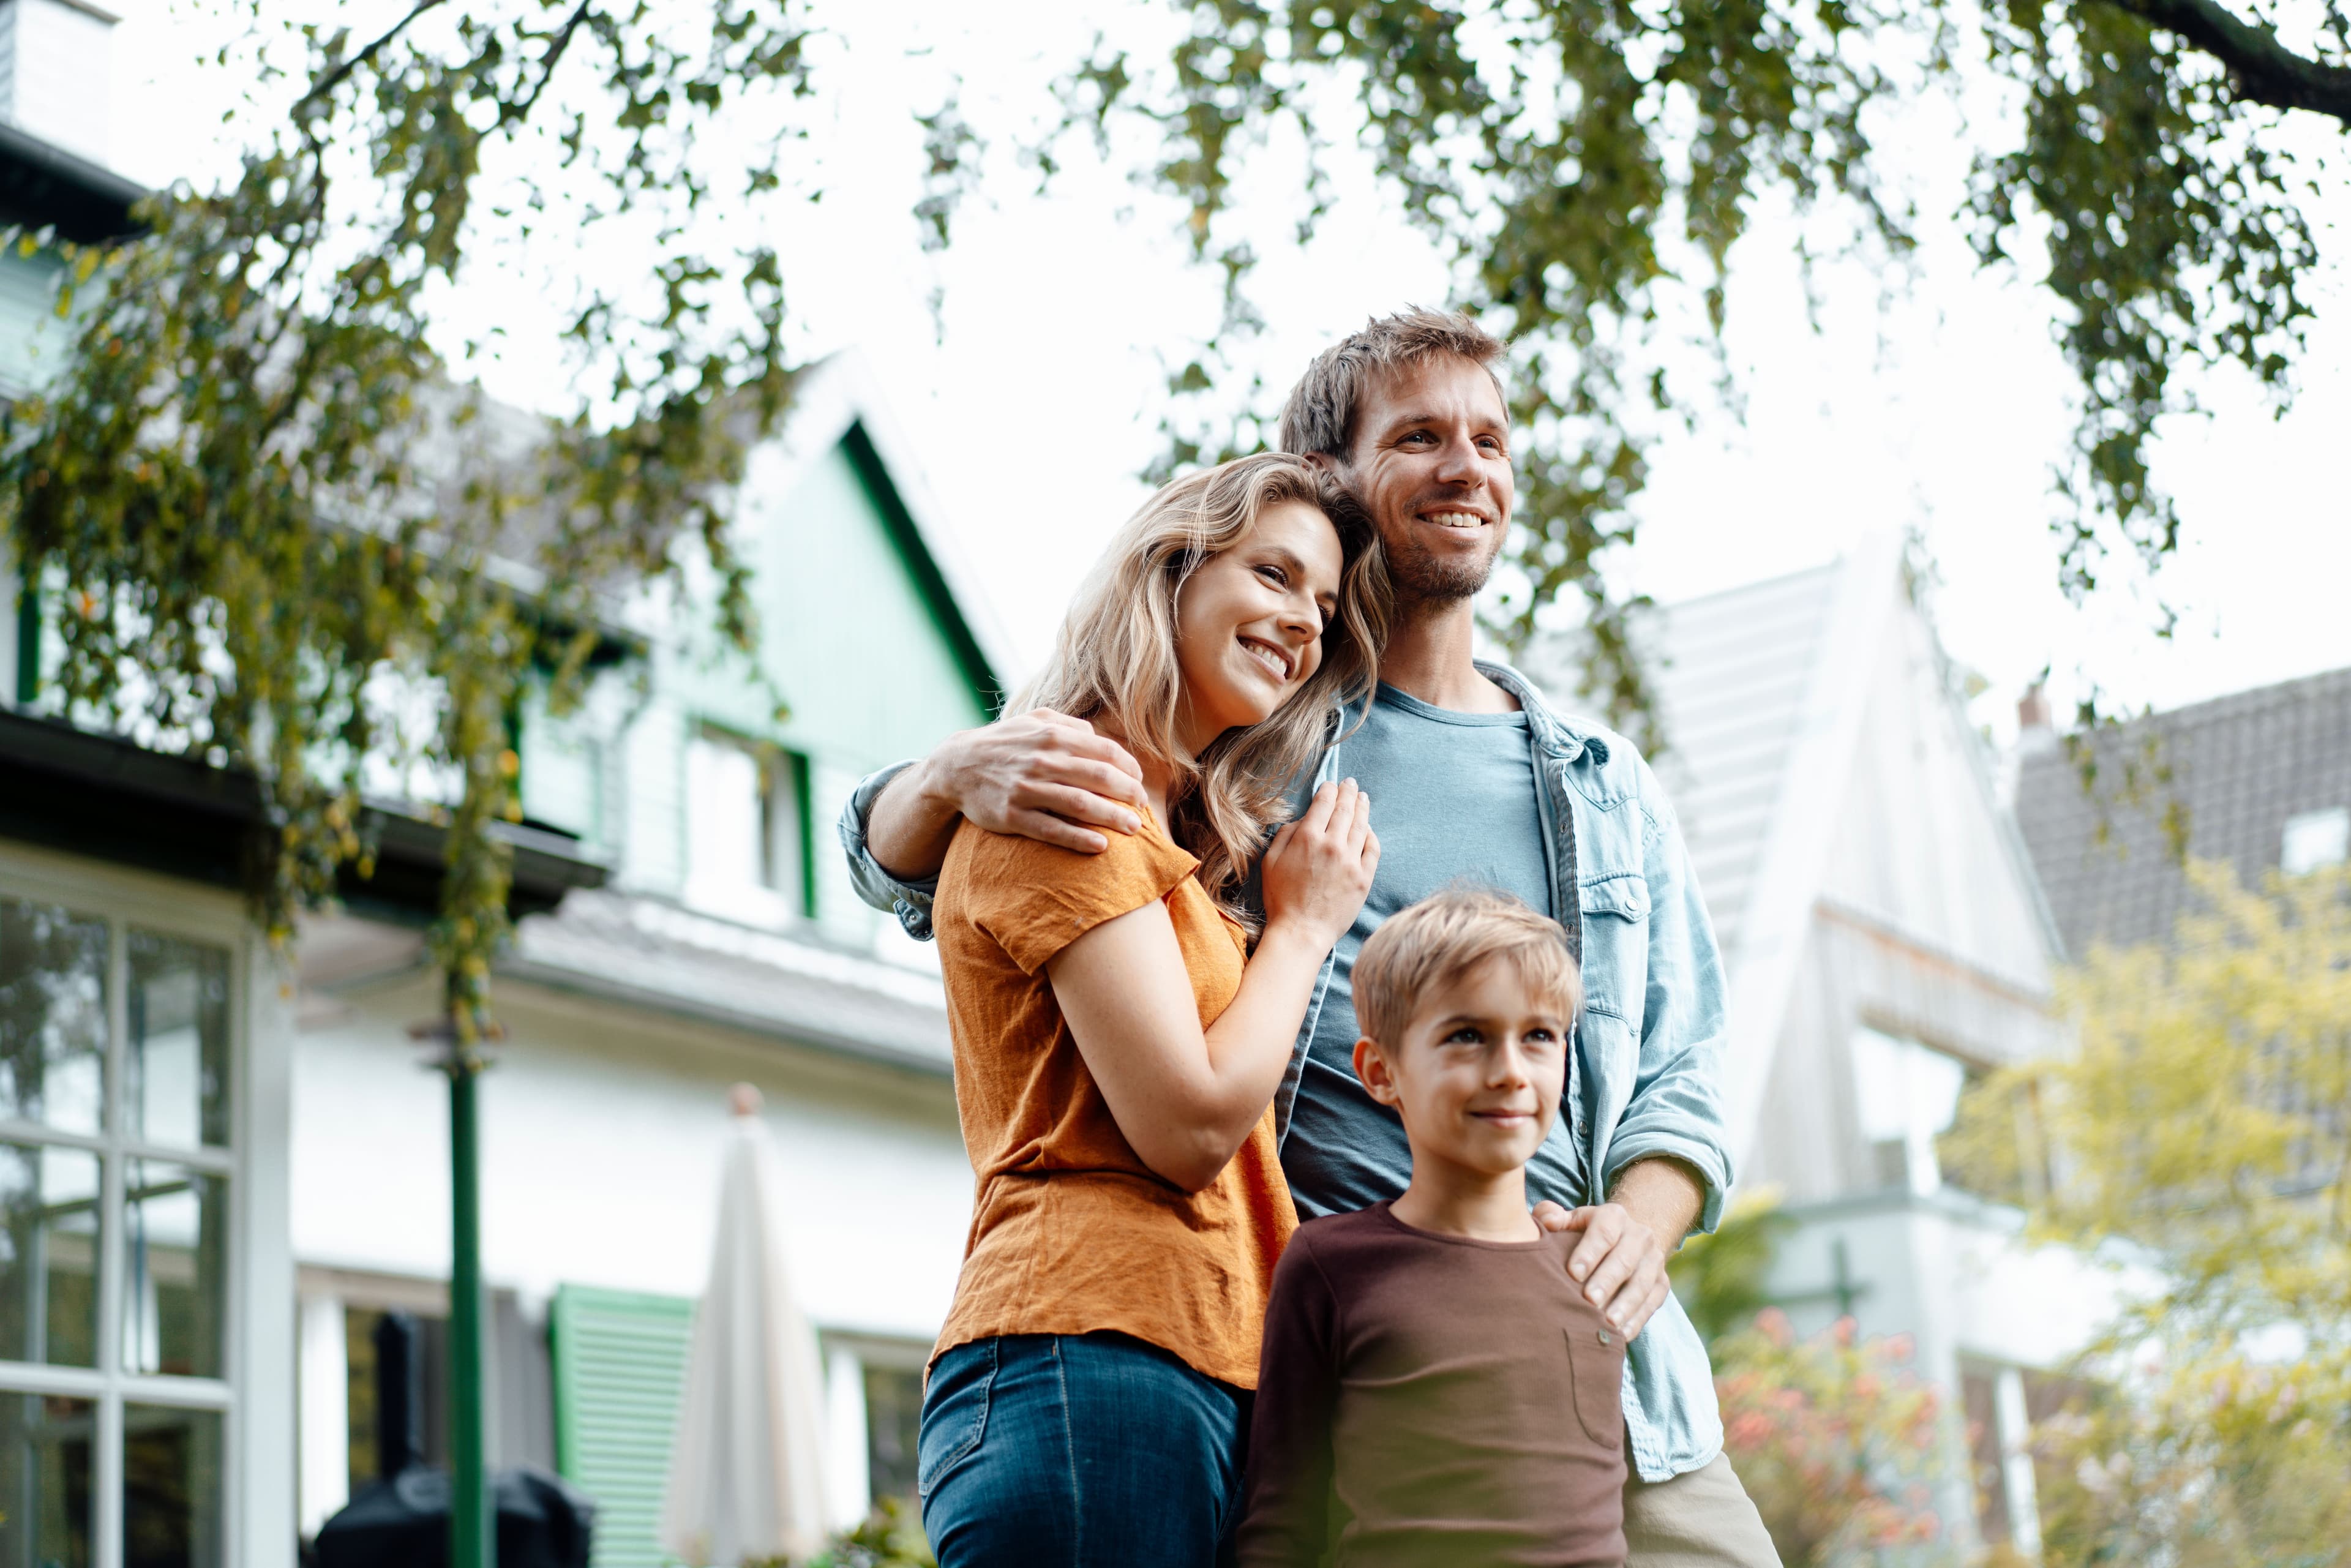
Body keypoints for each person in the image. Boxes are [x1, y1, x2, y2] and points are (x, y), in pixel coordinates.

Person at [844, 310, 1780, 1566]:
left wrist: (1641, 1226)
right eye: (1422, 436)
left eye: (1492, 438)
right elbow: (997, 850)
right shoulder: (1247, 748)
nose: (1469, 467)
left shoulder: (1603, 781)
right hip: (1343, 1375)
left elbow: (1688, 1070)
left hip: (1607, 1363)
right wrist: (942, 771)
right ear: (1337, 478)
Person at [912, 452, 1388, 1568]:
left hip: (1189, 1372)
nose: (1303, 624)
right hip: (1091, 1360)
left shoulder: (1171, 842)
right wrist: (1307, 928)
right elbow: (1184, 1126)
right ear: (1168, 572)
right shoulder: (1068, 795)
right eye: (1274, 574)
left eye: (1321, 606)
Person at [1239, 886, 1625, 1568]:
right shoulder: (1331, 1264)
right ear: (1381, 1071)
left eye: (1539, 1035)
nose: (1509, 1072)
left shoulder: (1590, 1265)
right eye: (1467, 1036)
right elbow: (1281, 1525)